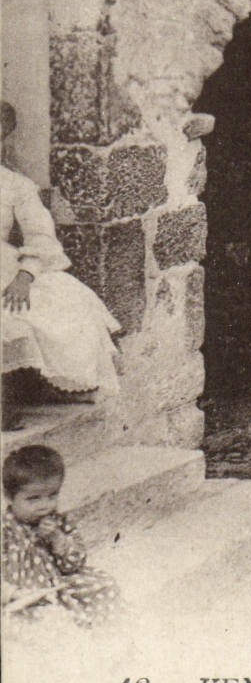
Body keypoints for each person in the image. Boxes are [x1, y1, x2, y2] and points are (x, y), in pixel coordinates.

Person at [2, 103, 120, 429]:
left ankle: (34, 388)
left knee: (62, 298)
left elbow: (41, 237)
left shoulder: (14, 185)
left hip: (4, 265)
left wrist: (25, 276)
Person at [2, 445, 122, 629]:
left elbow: (74, 564)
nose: (45, 505)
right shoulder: (5, 530)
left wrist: (58, 540)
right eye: (33, 499)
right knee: (50, 620)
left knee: (104, 586)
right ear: (10, 497)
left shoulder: (57, 522)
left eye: (52, 496)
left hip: (58, 584)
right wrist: (14, 594)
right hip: (24, 595)